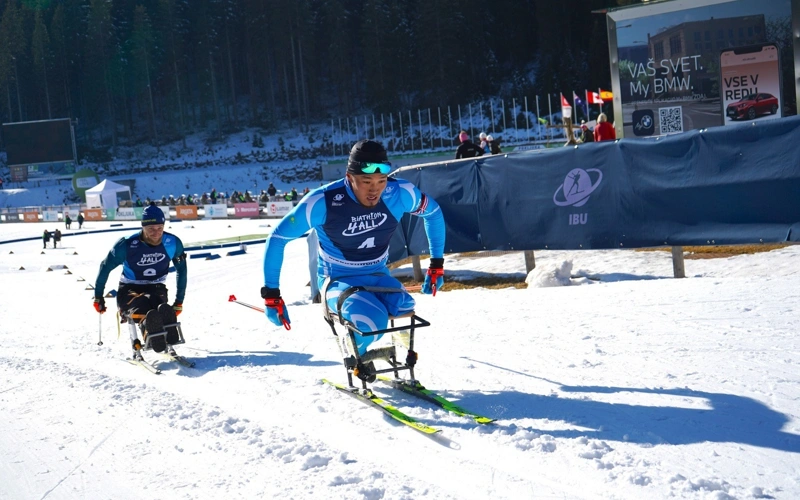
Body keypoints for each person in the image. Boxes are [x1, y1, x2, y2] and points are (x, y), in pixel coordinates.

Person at [261, 139, 446, 382]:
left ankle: (399, 361)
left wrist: (436, 265)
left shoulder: (399, 192)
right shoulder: (323, 201)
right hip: (337, 279)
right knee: (371, 319)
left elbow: (433, 213)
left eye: (381, 182)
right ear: (350, 178)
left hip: (377, 274)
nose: (374, 190)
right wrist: (271, 296)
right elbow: (277, 238)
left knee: (404, 309)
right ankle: (354, 354)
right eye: (366, 182)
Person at [92, 203, 187, 355]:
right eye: (151, 229)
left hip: (156, 286)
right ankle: (151, 329)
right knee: (141, 305)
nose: (156, 233)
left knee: (158, 303)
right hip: (130, 288)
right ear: (143, 227)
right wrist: (98, 297)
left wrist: (179, 301)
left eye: (159, 228)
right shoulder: (126, 244)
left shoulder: (173, 243)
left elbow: (182, 270)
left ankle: (165, 327)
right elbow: (105, 267)